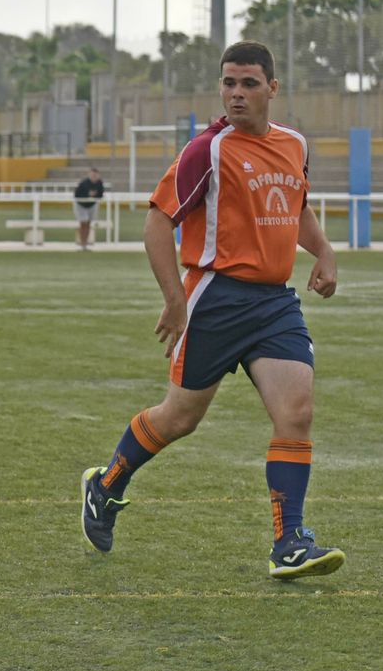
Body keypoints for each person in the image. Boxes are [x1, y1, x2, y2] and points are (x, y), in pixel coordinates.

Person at [80, 40, 343, 580]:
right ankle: (106, 485)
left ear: (272, 88)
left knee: (296, 413)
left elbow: (297, 208)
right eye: (228, 83)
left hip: (275, 303)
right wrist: (175, 300)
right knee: (180, 418)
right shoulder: (208, 150)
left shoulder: (294, 144)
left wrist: (324, 251)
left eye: (249, 83)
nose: (237, 93)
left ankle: (289, 543)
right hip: (215, 299)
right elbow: (158, 221)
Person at [73, 166, 105, 249]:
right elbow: (76, 195)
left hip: (92, 205)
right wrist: (88, 195)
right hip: (81, 205)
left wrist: (94, 195)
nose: (94, 176)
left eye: (96, 175)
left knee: (88, 224)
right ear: (89, 175)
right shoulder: (83, 183)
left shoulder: (99, 183)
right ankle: (82, 243)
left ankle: (85, 243)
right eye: (92, 175)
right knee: (83, 223)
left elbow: (101, 195)